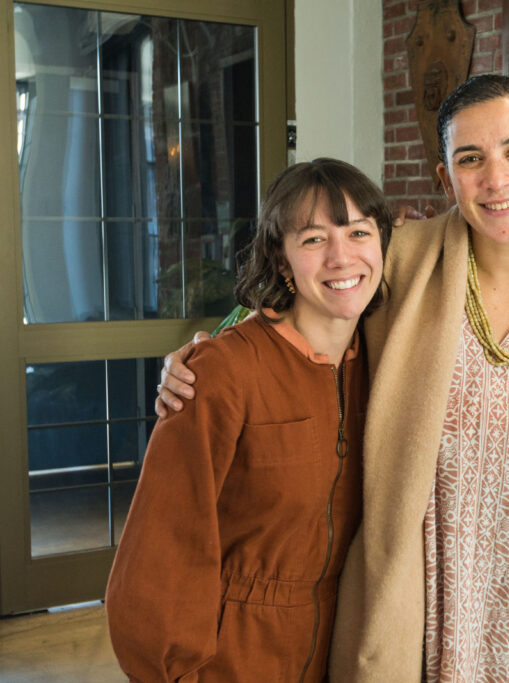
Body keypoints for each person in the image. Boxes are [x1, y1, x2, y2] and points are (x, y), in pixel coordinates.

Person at [156, 76, 509, 682]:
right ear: (444, 177)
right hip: (426, 603)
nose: (496, 178)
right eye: (469, 159)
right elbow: (298, 307)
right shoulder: (400, 260)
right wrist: (204, 352)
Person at [106, 158, 391, 682]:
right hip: (232, 654)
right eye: (312, 240)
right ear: (280, 260)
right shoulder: (221, 372)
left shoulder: (386, 369)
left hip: (344, 646)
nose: (341, 256)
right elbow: (160, 556)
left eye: (358, 232)